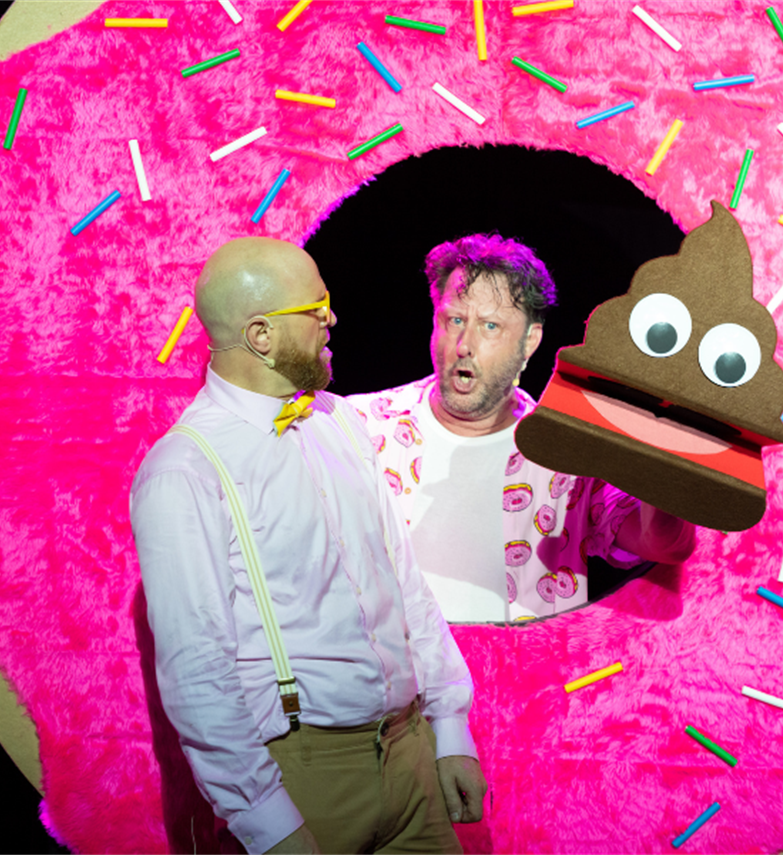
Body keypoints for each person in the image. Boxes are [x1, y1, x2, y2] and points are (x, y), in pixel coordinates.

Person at [130, 237, 485, 855]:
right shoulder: (185, 469)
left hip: (410, 757)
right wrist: (268, 825)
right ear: (262, 335)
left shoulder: (339, 421)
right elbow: (196, 671)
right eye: (316, 306)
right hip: (302, 779)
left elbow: (404, 586)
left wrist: (449, 731)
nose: (332, 318)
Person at [348, 234, 695, 623]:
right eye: (455, 320)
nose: (465, 344)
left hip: (523, 681)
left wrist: (666, 458)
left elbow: (663, 545)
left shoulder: (567, 458)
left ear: (530, 341)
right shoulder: (357, 428)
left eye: (490, 326)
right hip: (389, 680)